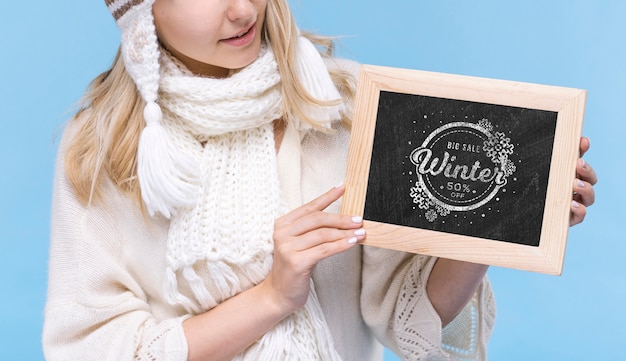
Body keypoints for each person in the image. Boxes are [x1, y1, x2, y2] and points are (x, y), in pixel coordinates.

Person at [42, 0, 597, 360]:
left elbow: (408, 320)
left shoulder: (346, 105)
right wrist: (271, 298)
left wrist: (494, 214)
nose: (242, 10)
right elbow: (92, 348)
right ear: (139, 14)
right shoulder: (102, 146)